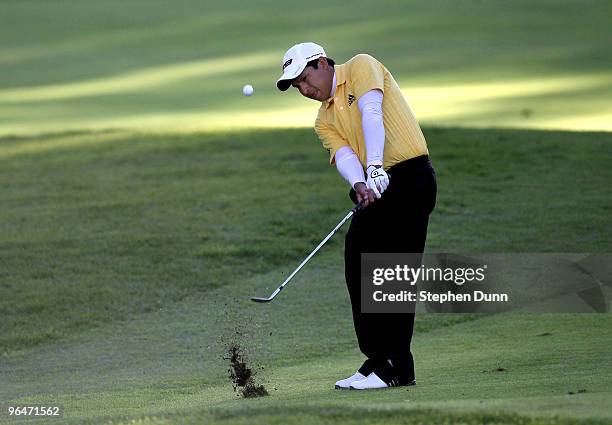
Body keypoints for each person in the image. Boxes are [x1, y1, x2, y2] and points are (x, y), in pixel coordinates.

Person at [276, 42, 437, 390]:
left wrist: (376, 166)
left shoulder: (361, 66)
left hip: (410, 177)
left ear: (322, 63)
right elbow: (346, 156)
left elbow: (371, 113)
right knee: (357, 257)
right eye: (297, 87)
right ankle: (379, 358)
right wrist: (361, 182)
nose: (304, 90)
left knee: (393, 270)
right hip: (378, 188)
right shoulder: (324, 119)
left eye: (305, 79)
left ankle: (396, 366)